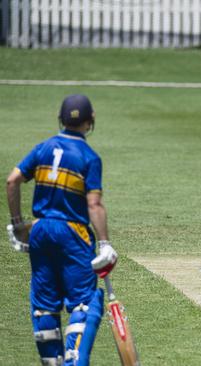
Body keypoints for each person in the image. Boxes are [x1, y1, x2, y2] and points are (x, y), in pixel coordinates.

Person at [6, 94, 118, 366]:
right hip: (72, 232)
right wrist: (104, 243)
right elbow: (94, 204)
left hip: (41, 230)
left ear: (60, 120)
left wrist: (19, 223)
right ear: (90, 122)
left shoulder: (43, 148)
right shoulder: (89, 157)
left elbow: (12, 181)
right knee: (86, 302)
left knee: (45, 305)